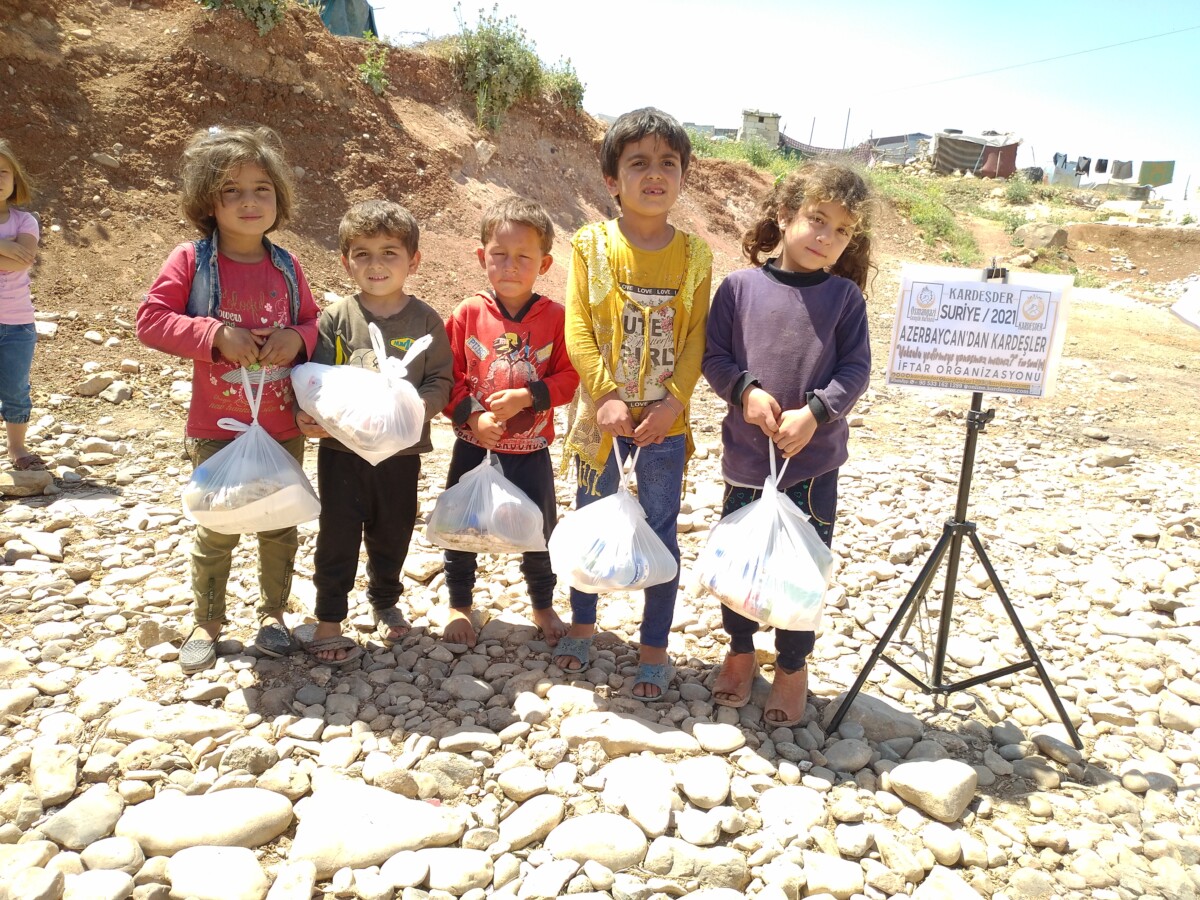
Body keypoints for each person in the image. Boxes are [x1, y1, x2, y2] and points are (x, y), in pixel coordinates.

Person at [136, 125, 319, 674]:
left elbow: (312, 322)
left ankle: (273, 616)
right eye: (231, 190)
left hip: (282, 423)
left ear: (279, 198)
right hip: (217, 424)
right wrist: (214, 335)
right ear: (206, 201)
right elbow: (151, 321)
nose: (248, 201)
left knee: (279, 523)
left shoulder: (287, 266)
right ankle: (208, 621)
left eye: (261, 188)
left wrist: (299, 339)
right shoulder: (189, 261)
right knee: (216, 527)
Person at [701, 161, 876, 726]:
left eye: (842, 230)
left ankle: (794, 666)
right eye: (816, 220)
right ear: (785, 215)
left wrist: (816, 413)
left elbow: (855, 370)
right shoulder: (739, 287)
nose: (826, 237)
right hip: (749, 459)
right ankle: (741, 650)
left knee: (802, 571)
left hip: (813, 464)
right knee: (741, 565)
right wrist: (745, 392)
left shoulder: (845, 298)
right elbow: (715, 358)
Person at [555, 108, 713, 700]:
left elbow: (696, 335)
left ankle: (653, 645)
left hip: (664, 425)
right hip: (603, 420)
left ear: (682, 177)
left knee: (663, 528)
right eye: (638, 163)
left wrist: (673, 404)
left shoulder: (695, 257)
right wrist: (606, 396)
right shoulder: (592, 245)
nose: (655, 175)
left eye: (668, 163)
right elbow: (578, 327)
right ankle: (582, 624)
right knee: (592, 520)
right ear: (611, 180)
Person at [295, 200, 453, 664]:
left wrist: (418, 408)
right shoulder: (336, 318)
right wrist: (311, 417)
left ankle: (385, 599)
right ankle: (329, 618)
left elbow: (440, 379)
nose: (376, 264)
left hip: (401, 456)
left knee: (393, 531)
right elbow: (316, 380)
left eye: (389, 252)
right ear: (346, 261)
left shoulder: (425, 321)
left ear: (413, 261)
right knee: (338, 532)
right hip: (342, 452)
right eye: (362, 253)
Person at [441, 197, 579, 648]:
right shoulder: (467, 314)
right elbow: (447, 378)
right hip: (473, 444)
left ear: (544, 262)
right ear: (482, 257)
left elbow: (568, 377)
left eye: (524, 256)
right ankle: (460, 604)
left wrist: (527, 396)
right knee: (462, 527)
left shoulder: (557, 318)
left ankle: (542, 604)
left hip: (530, 448)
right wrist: (473, 417)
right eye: (499, 254)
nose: (510, 265)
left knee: (539, 532)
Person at [0, 139, 43, 472]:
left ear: (15, 180)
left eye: (3, 172)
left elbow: (22, 261)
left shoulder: (26, 221)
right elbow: (11, 257)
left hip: (17, 324)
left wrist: (13, 250)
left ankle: (17, 448)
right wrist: (5, 246)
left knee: (15, 388)